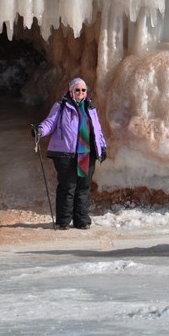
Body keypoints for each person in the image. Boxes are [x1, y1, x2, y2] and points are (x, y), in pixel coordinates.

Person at [32, 77, 108, 230]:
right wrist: (39, 130)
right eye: (77, 90)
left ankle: (82, 221)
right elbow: (50, 123)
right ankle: (63, 221)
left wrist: (102, 146)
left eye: (83, 90)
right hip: (65, 153)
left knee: (84, 187)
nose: (80, 92)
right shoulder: (61, 106)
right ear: (71, 91)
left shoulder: (90, 108)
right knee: (68, 186)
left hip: (86, 152)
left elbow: (97, 130)